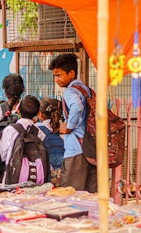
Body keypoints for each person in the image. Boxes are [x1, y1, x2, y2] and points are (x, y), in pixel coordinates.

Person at [49, 53, 97, 193]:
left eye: (59, 75)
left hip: (76, 149)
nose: (56, 80)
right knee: (90, 195)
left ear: (71, 73)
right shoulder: (85, 90)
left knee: (69, 194)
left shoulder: (70, 91)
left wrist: (69, 127)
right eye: (55, 76)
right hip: (90, 147)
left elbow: (77, 107)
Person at [0, 95, 45, 182]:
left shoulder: (10, 130)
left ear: (18, 109)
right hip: (34, 178)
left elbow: (2, 156)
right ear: (38, 113)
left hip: (12, 177)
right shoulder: (40, 133)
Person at [36, 98, 65, 186]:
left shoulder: (38, 129)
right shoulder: (64, 129)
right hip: (62, 174)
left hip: (45, 174)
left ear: (40, 114)